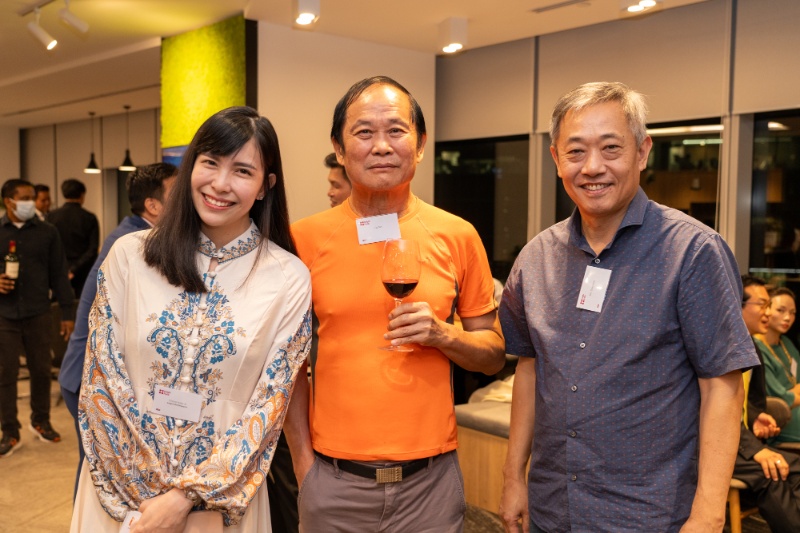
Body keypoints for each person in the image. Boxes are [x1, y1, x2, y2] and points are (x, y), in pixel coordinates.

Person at [498, 82, 757, 532]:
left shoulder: (693, 252)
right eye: (575, 151)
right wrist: (512, 476)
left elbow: (722, 386)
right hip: (554, 508)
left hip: (649, 513)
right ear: (556, 159)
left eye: (611, 148)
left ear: (642, 152)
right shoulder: (535, 258)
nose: (592, 167)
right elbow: (530, 367)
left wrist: (710, 513)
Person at [70, 107, 312, 532]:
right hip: (124, 499)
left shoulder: (288, 277)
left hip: (218, 503)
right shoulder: (130, 256)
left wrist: (185, 497)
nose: (220, 183)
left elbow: (268, 406)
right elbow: (100, 379)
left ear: (265, 186)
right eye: (210, 162)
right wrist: (142, 499)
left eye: (242, 170)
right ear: (189, 169)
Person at [286, 76, 505, 532]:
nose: (381, 146)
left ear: (420, 144)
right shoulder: (302, 240)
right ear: (339, 148)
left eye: (396, 131)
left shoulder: (458, 235)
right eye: (364, 132)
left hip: (430, 486)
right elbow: (285, 366)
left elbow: (492, 354)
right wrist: (306, 467)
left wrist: (443, 335)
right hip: (333, 482)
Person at [59, 162, 177, 495]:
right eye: (178, 192)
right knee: (101, 477)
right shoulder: (134, 243)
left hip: (93, 374)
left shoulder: (137, 233)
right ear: (152, 206)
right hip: (90, 377)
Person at [0, 179, 74, 457]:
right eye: (24, 198)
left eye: (32, 197)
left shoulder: (48, 232)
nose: (30, 202)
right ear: (8, 201)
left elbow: (59, 273)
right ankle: (9, 431)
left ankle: (41, 421)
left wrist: (67, 313)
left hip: (39, 312)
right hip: (4, 315)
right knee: (5, 373)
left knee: (41, 370)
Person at [733, 276, 800, 532]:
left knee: (795, 466)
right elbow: (712, 412)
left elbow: (747, 404)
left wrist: (756, 417)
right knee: (772, 473)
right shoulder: (722, 346)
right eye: (763, 305)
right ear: (737, 305)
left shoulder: (751, 347)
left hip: (738, 440)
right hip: (709, 445)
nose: (769, 312)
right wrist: (754, 449)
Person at [755, 286, 800, 443]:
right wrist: (792, 394)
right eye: (780, 310)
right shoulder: (757, 347)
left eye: (792, 313)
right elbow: (780, 398)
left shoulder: (786, 343)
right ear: (766, 310)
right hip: (781, 418)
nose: (788, 317)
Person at [47, 178, 100, 297]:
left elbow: (47, 246)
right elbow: (92, 250)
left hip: (58, 270)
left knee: (58, 305)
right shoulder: (89, 218)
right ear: (82, 195)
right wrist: (74, 268)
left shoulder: (51, 216)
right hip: (83, 272)